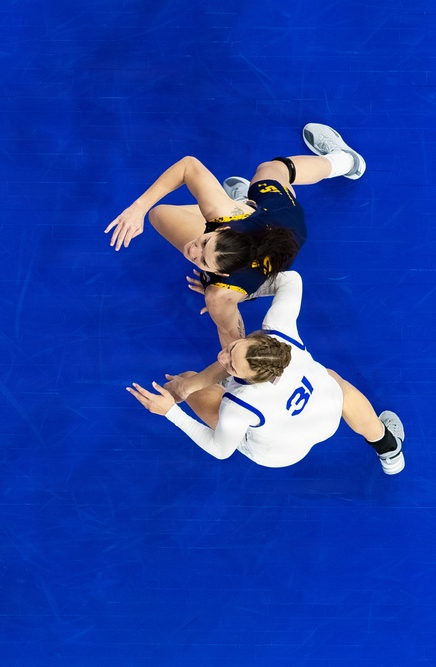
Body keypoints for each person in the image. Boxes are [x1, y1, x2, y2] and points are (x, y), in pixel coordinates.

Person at [105, 123, 365, 347]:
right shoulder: (224, 216)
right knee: (269, 171)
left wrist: (227, 379)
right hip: (281, 220)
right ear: (223, 228)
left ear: (224, 275)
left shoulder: (219, 295)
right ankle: (342, 162)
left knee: (161, 214)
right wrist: (138, 208)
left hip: (269, 248)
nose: (192, 250)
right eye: (204, 241)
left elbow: (232, 340)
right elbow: (188, 165)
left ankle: (343, 162)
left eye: (202, 261)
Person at [126, 271, 404, 474]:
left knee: (189, 380)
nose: (221, 357)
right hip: (325, 418)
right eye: (233, 348)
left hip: (280, 454)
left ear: (253, 379)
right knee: (331, 380)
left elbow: (220, 450)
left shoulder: (240, 404)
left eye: (232, 365)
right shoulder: (280, 331)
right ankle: (388, 447)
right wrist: (236, 291)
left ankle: (385, 443)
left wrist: (170, 412)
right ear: (259, 339)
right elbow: (291, 279)